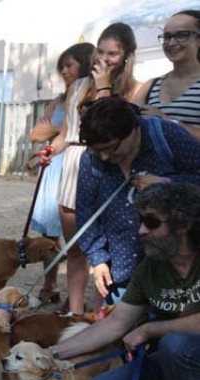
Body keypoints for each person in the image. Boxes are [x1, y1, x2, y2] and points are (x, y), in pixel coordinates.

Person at [51, 182, 200, 380]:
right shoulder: (150, 268)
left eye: (152, 222)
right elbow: (114, 324)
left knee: (175, 344)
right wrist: (50, 354)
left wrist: (150, 329)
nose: (141, 230)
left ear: (184, 226)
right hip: (178, 365)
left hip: (185, 354)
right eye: (140, 221)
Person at [45, 22, 140, 315]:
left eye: (112, 54)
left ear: (125, 56)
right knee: (75, 250)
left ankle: (103, 316)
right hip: (74, 166)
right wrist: (51, 150)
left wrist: (103, 87)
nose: (104, 58)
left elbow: (110, 125)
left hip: (108, 169)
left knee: (107, 255)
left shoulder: (135, 89)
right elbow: (65, 132)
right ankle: (74, 315)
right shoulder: (75, 86)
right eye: (100, 51)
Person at [76, 96, 200, 307]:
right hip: (122, 270)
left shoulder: (168, 136)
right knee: (119, 331)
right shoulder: (92, 158)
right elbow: (86, 210)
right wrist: (97, 259)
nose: (104, 157)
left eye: (111, 147)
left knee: (173, 338)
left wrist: (167, 183)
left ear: (134, 129)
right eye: (98, 150)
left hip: (176, 269)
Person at [29, 42, 95, 305]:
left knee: (80, 233)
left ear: (84, 63)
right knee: (50, 231)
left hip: (75, 162)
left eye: (69, 65)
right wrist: (56, 133)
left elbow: (63, 132)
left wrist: (54, 132)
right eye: (62, 67)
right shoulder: (59, 99)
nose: (64, 71)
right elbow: (36, 134)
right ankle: (50, 284)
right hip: (55, 163)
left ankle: (74, 297)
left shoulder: (91, 95)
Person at [133, 10, 200, 141]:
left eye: (182, 35)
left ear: (198, 40)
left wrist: (167, 121)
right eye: (167, 36)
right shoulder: (150, 86)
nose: (171, 43)